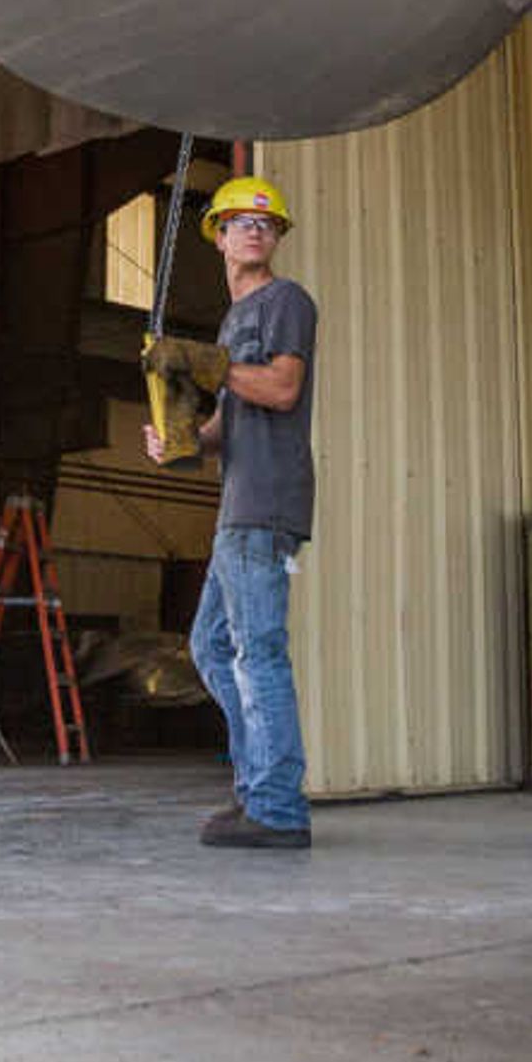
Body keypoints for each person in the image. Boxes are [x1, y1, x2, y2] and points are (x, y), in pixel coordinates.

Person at [145, 174, 317, 850]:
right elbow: (226, 420)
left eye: (266, 223)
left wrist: (205, 362)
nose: (254, 229)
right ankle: (258, 789)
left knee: (258, 654)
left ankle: (276, 808)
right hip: (235, 506)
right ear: (217, 235)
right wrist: (179, 440)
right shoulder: (232, 321)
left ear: (276, 238)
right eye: (240, 221)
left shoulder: (286, 301)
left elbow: (279, 388)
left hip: (267, 502)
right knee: (211, 646)